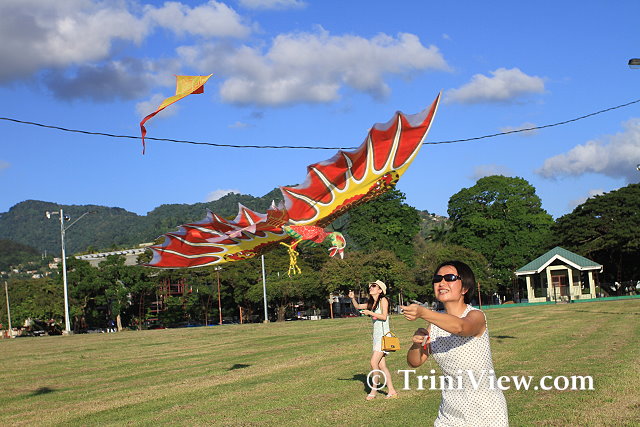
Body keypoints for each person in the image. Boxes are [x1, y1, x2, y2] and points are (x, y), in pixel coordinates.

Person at [402, 261, 508, 426]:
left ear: (465, 288)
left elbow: (461, 327)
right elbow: (414, 362)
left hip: (485, 411)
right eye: (438, 279)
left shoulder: (476, 316)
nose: (442, 283)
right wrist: (416, 344)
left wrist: (423, 312)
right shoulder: (434, 325)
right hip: (450, 412)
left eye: (450, 278)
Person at [349, 280, 398, 400]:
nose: (371, 287)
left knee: (373, 363)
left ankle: (373, 390)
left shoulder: (383, 300)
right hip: (377, 337)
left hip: (383, 337)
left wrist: (370, 312)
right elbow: (358, 307)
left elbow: (384, 316)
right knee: (382, 366)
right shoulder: (372, 303)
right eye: (370, 286)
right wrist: (352, 298)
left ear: (380, 290)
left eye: (374, 286)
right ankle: (392, 391)